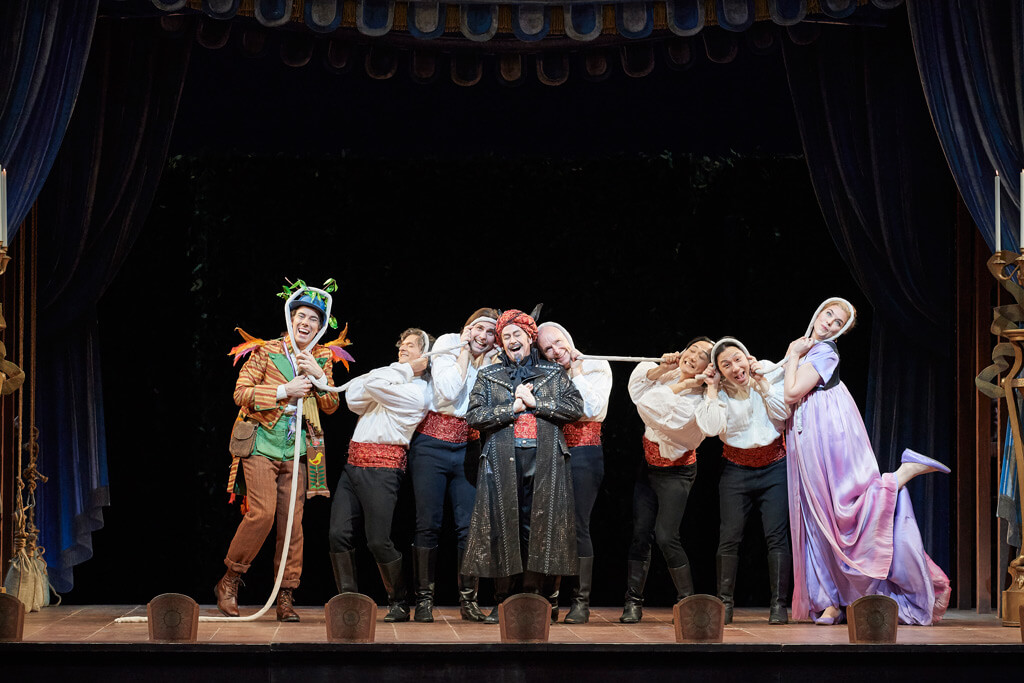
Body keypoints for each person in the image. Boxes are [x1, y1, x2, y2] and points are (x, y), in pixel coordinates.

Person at [782, 297, 951, 625]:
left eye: (838, 322)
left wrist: (792, 353)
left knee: (842, 511)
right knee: (818, 518)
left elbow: (791, 392)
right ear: (818, 312)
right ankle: (829, 601)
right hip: (809, 431)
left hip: (825, 432)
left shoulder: (824, 352)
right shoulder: (811, 349)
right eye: (829, 314)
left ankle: (900, 476)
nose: (829, 322)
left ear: (840, 331)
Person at [215, 289, 341, 622]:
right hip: (262, 443)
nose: (306, 323)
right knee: (262, 513)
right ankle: (230, 579)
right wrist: (285, 391)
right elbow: (241, 393)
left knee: (292, 524)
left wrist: (318, 375)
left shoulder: (322, 357)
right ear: (290, 319)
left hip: (297, 449)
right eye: (302, 316)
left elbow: (331, 405)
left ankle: (285, 593)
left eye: (314, 319)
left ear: (320, 327)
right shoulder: (266, 351)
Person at [462, 309, 584, 624]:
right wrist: (511, 408)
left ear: (530, 337)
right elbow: (474, 415)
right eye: (506, 336)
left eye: (517, 334)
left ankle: (536, 599)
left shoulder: (552, 373)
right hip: (503, 459)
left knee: (540, 528)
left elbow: (575, 407)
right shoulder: (489, 375)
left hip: (545, 459)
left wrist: (536, 404)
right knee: (505, 527)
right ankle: (504, 602)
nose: (512, 340)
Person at [327, 328, 432, 622]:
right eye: (401, 344)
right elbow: (352, 397)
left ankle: (399, 601)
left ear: (425, 355)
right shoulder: (390, 379)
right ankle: (348, 601)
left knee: (377, 540)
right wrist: (395, 374)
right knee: (338, 534)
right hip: (353, 465)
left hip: (383, 468)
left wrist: (403, 371)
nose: (402, 348)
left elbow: (371, 384)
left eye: (410, 345)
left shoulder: (419, 391)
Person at [407, 308, 499, 623]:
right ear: (466, 329)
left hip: (468, 446)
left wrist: (489, 360)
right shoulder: (448, 343)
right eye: (478, 329)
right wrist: (462, 351)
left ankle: (469, 601)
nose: (483, 337)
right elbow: (448, 391)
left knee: (469, 526)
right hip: (432, 444)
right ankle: (424, 601)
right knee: (427, 524)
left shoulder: (492, 360)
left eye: (490, 332)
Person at [696, 337, 791, 624]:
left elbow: (784, 414)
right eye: (726, 365)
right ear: (719, 371)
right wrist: (712, 389)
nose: (735, 368)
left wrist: (762, 384)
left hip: (774, 466)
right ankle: (724, 604)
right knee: (729, 537)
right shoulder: (719, 393)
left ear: (747, 357)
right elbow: (711, 429)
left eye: (738, 359)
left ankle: (779, 606)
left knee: (776, 536)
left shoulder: (769, 372)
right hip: (736, 469)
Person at [621, 338, 713, 623]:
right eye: (691, 349)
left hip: (677, 472)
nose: (693, 356)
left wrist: (685, 385)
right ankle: (633, 602)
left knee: (666, 536)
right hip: (648, 467)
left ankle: (687, 603)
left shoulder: (699, 402)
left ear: (709, 368)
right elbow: (637, 390)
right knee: (640, 534)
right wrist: (661, 369)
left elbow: (648, 403)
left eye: (702, 355)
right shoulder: (668, 375)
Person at [536, 322, 613, 624]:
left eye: (558, 343)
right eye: (547, 349)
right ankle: (550, 599)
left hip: (584, 450)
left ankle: (580, 602)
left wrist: (577, 372)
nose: (555, 351)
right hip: (551, 451)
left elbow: (591, 408)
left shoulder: (596, 365)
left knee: (577, 526)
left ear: (568, 339)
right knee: (548, 525)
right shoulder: (546, 373)